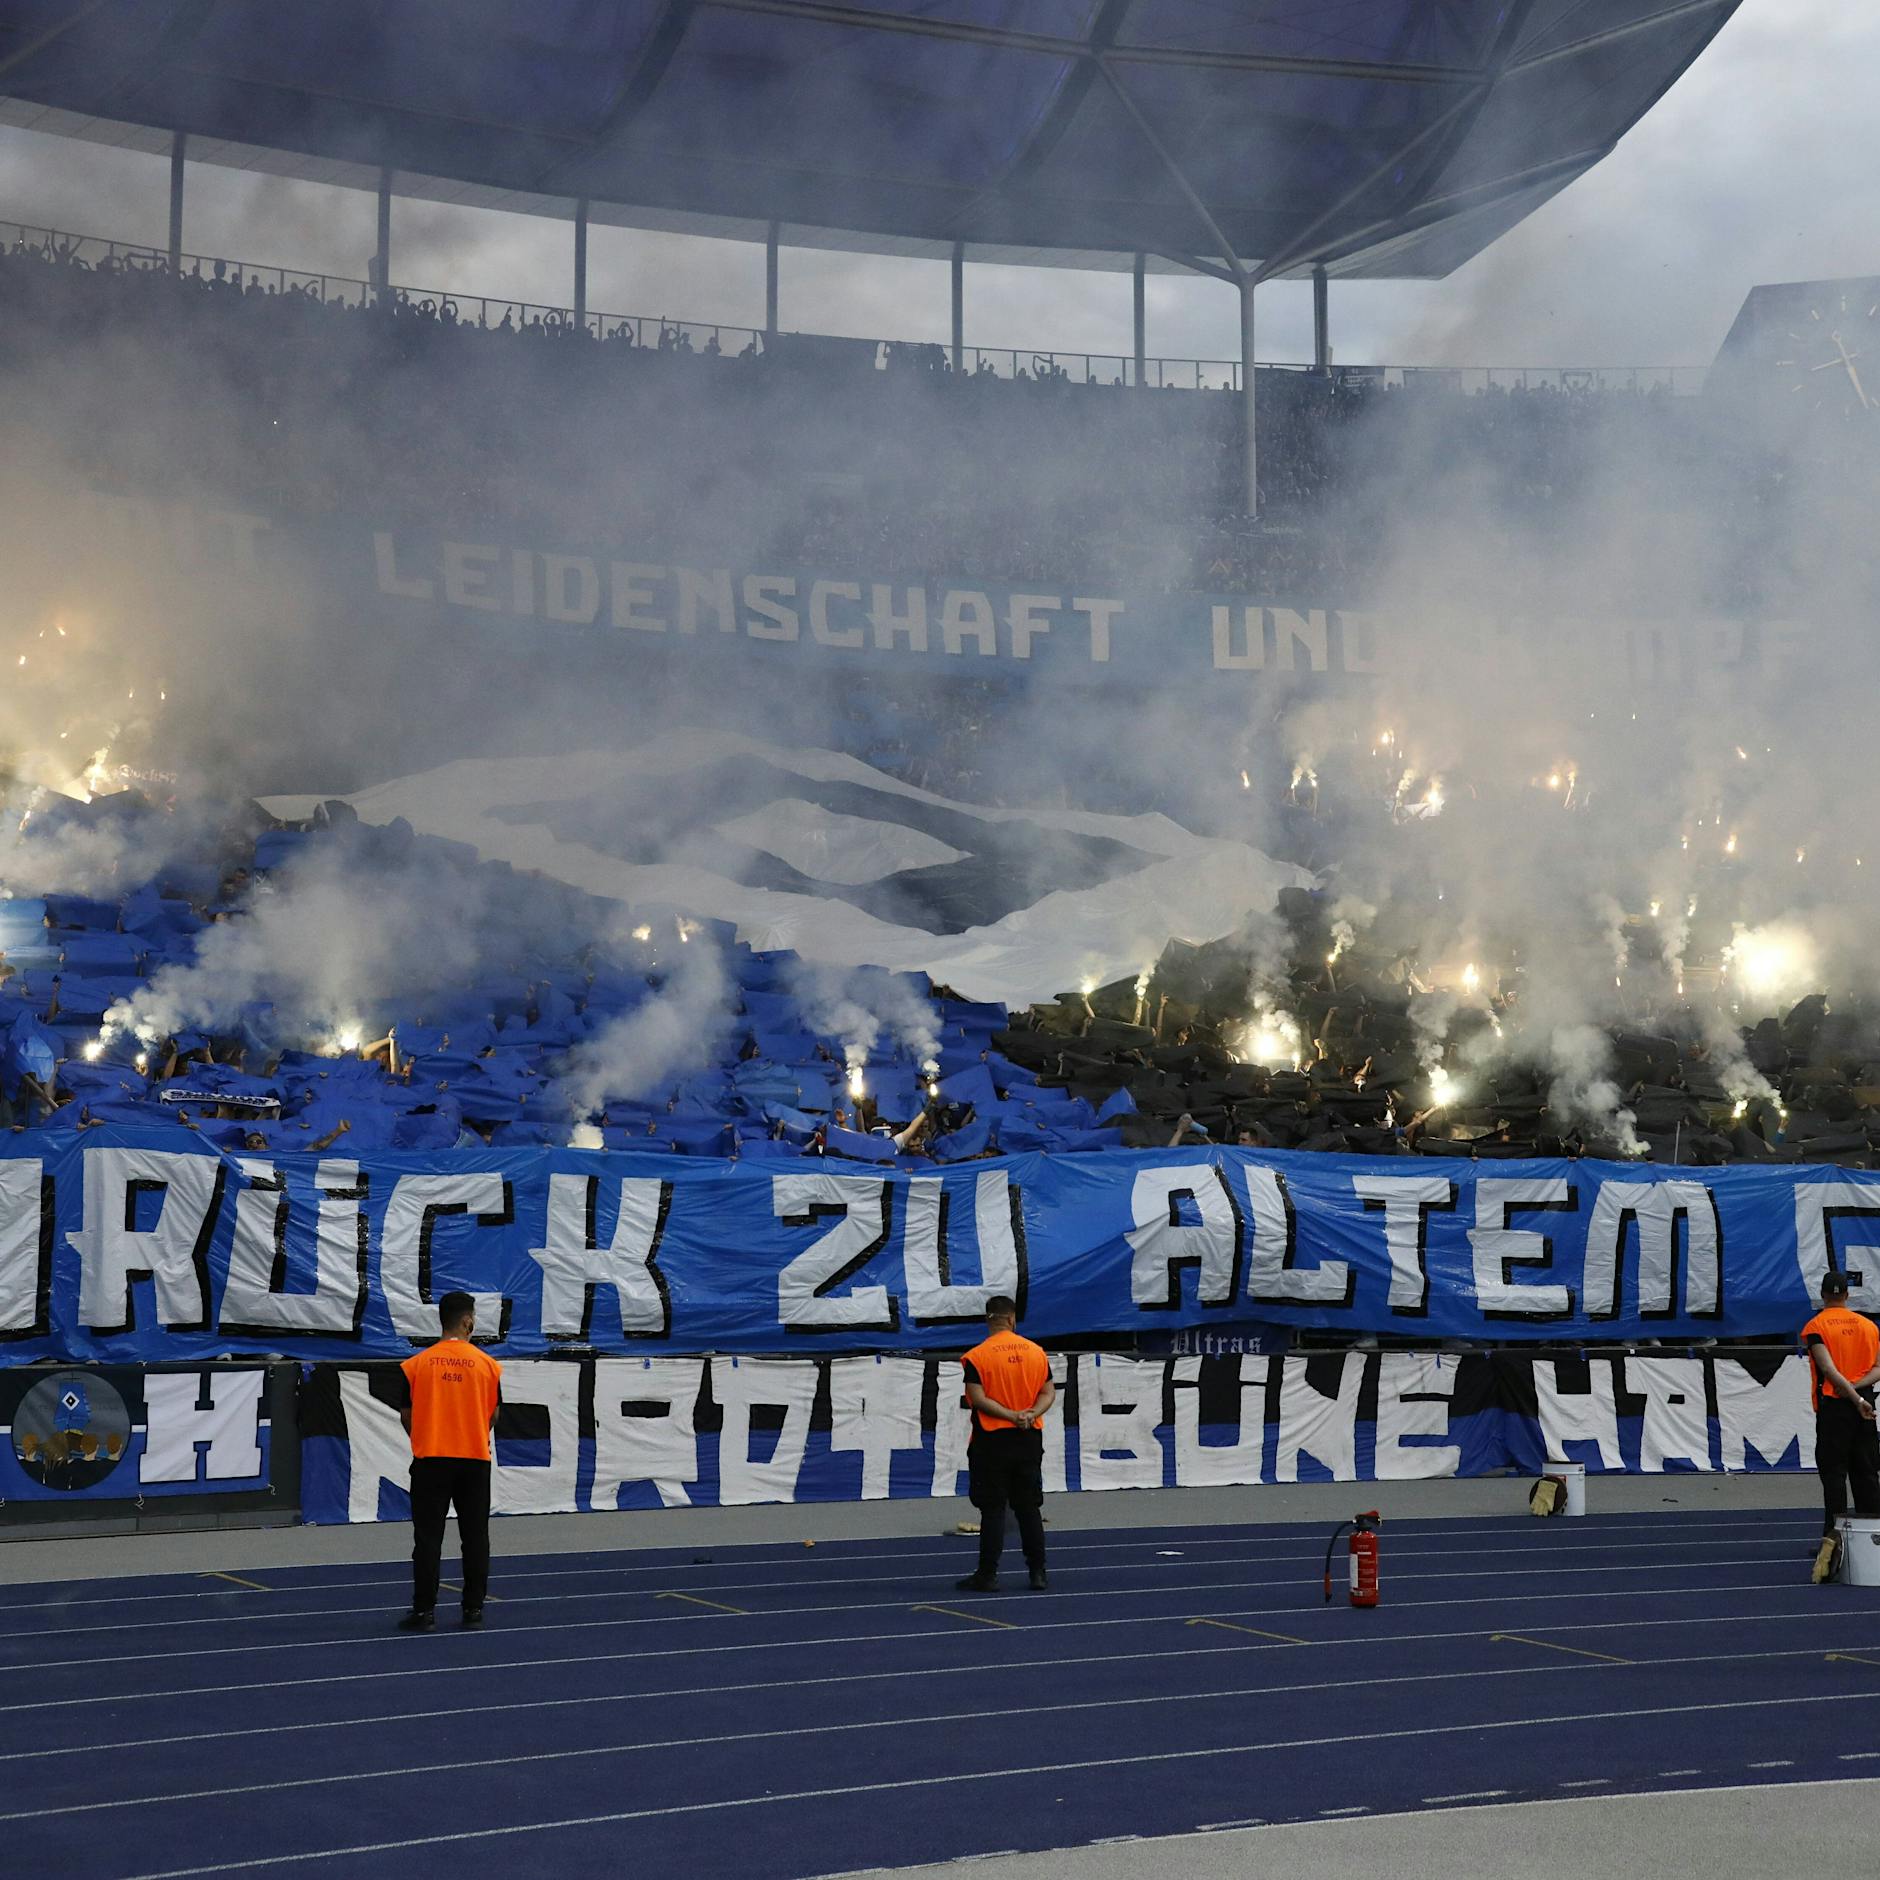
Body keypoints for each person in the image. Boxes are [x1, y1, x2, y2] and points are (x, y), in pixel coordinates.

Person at [398, 1290, 502, 1630]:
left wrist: (429, 1432)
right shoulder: (488, 1365)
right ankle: (473, 1608)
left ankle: (424, 1611)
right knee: (475, 1536)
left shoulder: (417, 1365)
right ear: (468, 1321)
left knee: (427, 1537)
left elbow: (406, 1415)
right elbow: (494, 1414)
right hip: (473, 1457)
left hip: (431, 1458)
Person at [955, 1296, 1056, 1593]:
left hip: (991, 1441)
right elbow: (1048, 1393)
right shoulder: (1036, 1352)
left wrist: (1010, 1415)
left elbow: (978, 1398)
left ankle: (988, 1574)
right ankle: (1038, 1572)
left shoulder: (977, 1356)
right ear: (1012, 1319)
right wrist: (1029, 1414)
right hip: (1028, 1437)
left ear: (989, 1320)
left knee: (993, 1510)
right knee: (1029, 1508)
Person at [1802, 1270, 1880, 1582]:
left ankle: (1833, 1542)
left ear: (1823, 1295)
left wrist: (1849, 1394)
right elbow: (1878, 1368)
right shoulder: (1868, 1326)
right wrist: (1859, 1393)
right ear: (1847, 1295)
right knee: (1866, 1472)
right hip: (1864, 1405)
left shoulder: (1816, 1326)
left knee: (1834, 1475)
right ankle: (1872, 1537)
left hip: (1836, 1406)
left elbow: (1828, 1369)